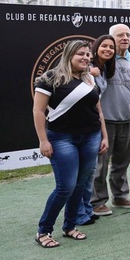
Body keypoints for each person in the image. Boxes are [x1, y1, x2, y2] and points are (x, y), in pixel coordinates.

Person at [33, 40, 109, 248]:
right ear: (68, 55)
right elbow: (38, 111)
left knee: (80, 185)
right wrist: (43, 140)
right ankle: (44, 231)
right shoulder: (50, 78)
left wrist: (104, 136)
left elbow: (98, 111)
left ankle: (70, 226)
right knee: (65, 187)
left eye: (87, 55)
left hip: (91, 137)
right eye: (80, 54)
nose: (86, 58)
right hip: (61, 138)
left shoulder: (89, 79)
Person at [91, 24, 130, 217]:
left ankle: (120, 196)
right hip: (104, 122)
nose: (125, 38)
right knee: (100, 164)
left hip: (128, 119)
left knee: (122, 162)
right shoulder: (100, 61)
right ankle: (97, 201)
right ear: (110, 38)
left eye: (128, 35)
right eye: (120, 35)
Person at [75, 35, 116, 226]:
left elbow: (97, 104)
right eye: (104, 46)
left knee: (90, 171)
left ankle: (86, 209)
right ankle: (78, 212)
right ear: (96, 47)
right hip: (79, 125)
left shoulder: (106, 68)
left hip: (94, 123)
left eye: (111, 47)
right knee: (81, 173)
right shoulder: (86, 67)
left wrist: (103, 133)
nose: (108, 49)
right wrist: (89, 71)